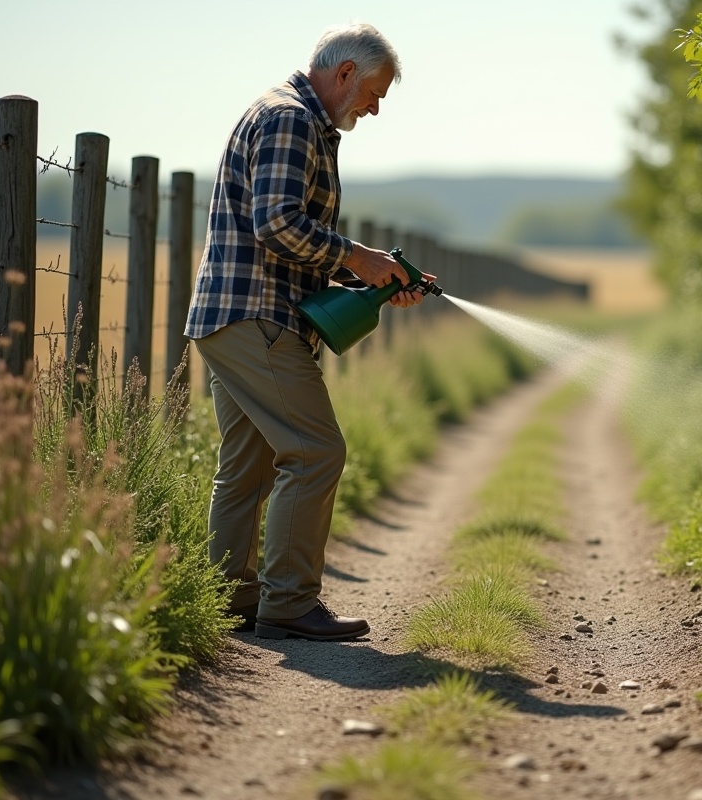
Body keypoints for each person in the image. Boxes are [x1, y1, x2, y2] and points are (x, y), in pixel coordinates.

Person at [185, 22, 429, 641]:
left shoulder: (294, 118)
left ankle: (229, 599)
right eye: (373, 93)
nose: (374, 108)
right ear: (345, 73)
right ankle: (290, 603)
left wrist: (372, 278)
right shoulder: (290, 119)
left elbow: (290, 243)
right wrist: (359, 258)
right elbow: (277, 225)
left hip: (233, 317)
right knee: (316, 452)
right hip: (257, 318)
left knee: (248, 467)